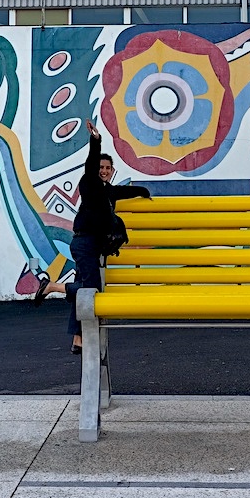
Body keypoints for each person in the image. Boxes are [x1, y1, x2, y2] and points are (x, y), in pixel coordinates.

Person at [33, 119, 151, 353]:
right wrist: (95, 141)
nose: (104, 171)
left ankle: (78, 339)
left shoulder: (109, 192)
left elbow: (125, 191)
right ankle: (51, 287)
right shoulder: (89, 183)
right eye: (101, 167)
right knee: (91, 292)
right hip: (84, 243)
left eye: (108, 168)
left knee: (84, 290)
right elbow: (91, 162)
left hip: (93, 246)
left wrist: (144, 192)